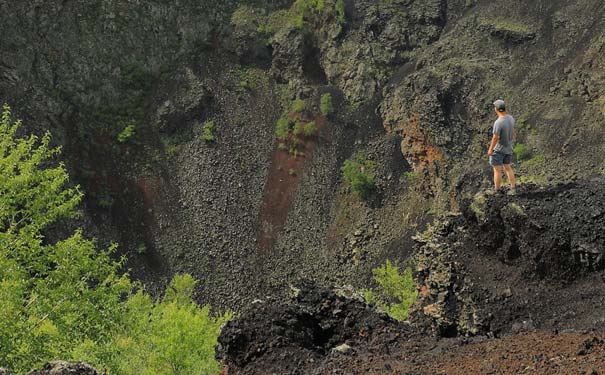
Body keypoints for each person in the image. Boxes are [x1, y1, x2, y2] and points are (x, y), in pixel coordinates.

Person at [487, 99, 517, 195]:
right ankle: (513, 188)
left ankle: (497, 190)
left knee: (497, 170)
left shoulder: (498, 122)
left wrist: (490, 149)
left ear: (496, 109)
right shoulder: (511, 118)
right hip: (508, 147)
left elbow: (495, 137)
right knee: (508, 168)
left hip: (499, 149)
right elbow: (512, 131)